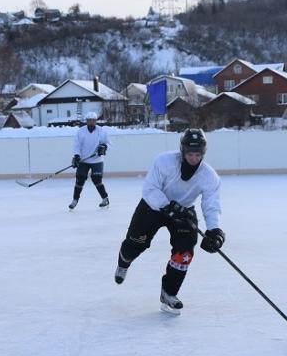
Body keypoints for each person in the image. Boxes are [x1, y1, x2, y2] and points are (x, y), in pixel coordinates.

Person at [113, 128, 225, 314]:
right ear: (182, 151)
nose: (193, 158)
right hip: (153, 206)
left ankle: (169, 294)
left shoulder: (209, 176)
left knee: (185, 252)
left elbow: (211, 204)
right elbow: (149, 189)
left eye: (198, 154)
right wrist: (168, 206)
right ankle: (123, 263)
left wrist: (214, 230)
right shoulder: (164, 162)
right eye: (190, 153)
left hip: (183, 212)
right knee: (134, 245)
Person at [69, 111, 110, 210]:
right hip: (84, 160)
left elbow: (108, 143)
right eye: (89, 120)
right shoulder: (81, 131)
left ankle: (105, 199)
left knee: (96, 179)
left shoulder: (101, 131)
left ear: (96, 121)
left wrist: (104, 147)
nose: (91, 122)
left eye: (93, 120)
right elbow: (77, 145)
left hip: (97, 160)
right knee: (80, 178)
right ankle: (75, 200)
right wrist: (77, 156)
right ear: (86, 121)